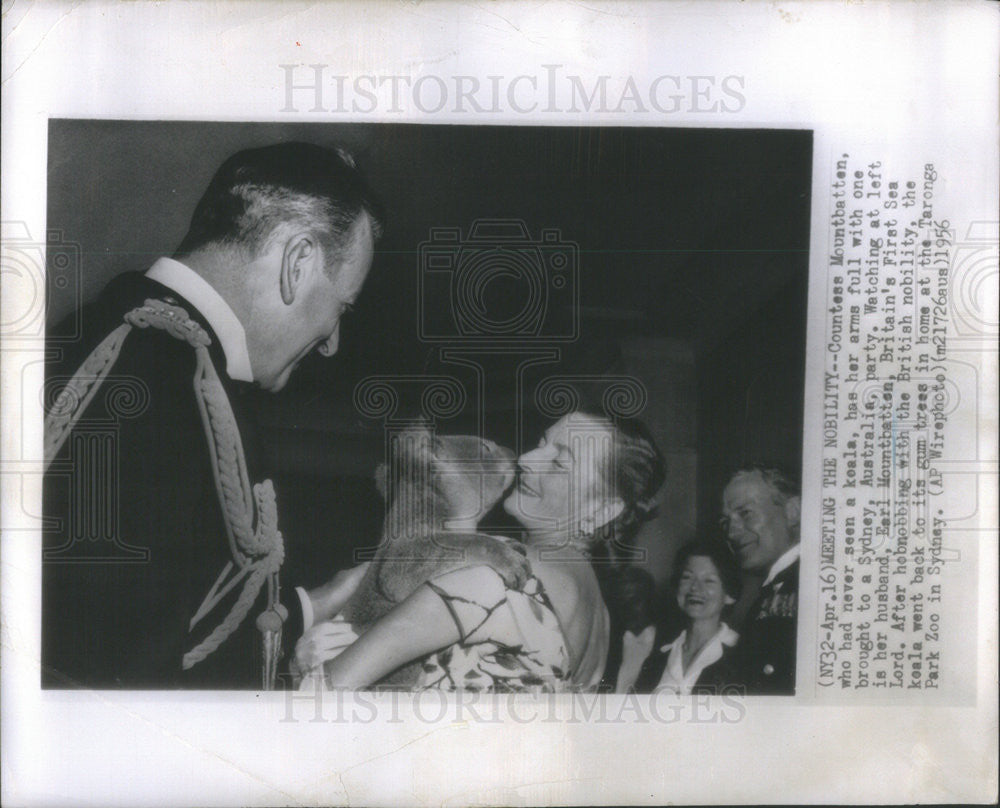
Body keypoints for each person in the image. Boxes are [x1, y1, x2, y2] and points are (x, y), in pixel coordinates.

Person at [42, 142, 384, 689]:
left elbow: (158, 615)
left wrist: (310, 606)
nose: (331, 343)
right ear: (298, 263)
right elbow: (115, 679)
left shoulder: (115, 341)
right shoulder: (168, 386)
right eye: (341, 306)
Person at [294, 409, 666, 691]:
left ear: (603, 509)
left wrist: (301, 665)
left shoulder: (501, 565)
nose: (526, 460)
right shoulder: (599, 613)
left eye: (558, 462)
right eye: (541, 443)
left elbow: (326, 691)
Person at [622, 540, 742, 694]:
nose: (694, 588)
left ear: (729, 595)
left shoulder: (741, 652)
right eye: (687, 577)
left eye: (709, 580)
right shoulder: (657, 655)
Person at [721, 466, 800, 695]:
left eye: (745, 513)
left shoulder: (812, 587)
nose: (731, 533)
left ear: (793, 511)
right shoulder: (773, 592)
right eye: (725, 522)